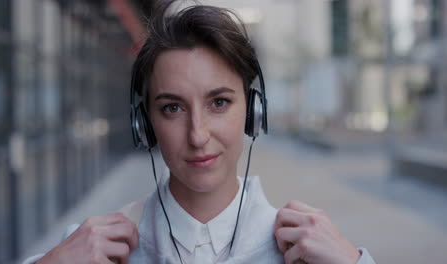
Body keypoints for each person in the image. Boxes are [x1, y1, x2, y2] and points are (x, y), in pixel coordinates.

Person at [23, 1, 376, 264]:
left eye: (219, 102)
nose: (198, 135)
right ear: (144, 124)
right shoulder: (92, 252)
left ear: (253, 112)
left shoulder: (311, 253)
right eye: (172, 108)